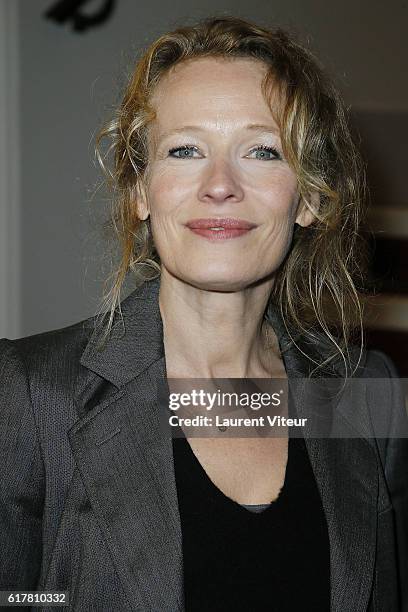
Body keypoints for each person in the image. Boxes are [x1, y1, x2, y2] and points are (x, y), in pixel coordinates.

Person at [0, 15, 407, 612]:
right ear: (141, 190)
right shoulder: (31, 393)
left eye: (263, 150)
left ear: (310, 197)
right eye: (185, 149)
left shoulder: (367, 396)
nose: (220, 185)